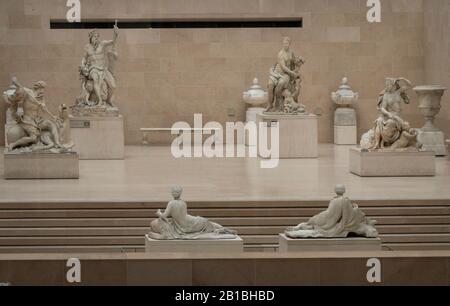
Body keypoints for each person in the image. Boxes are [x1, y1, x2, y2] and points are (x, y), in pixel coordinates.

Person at [285, 185, 378, 238]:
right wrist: (341, 226)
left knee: (312, 222)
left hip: (325, 218)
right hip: (327, 219)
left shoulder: (335, 200)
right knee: (312, 223)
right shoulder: (346, 202)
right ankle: (298, 228)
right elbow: (345, 218)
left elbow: (340, 216)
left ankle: (298, 228)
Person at [149, 186, 237, 240]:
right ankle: (222, 229)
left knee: (208, 224)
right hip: (190, 221)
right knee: (208, 223)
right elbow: (183, 215)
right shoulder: (183, 202)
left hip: (185, 226)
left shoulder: (171, 203)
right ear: (180, 193)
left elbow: (164, 216)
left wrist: (159, 213)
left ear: (172, 193)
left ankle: (222, 229)